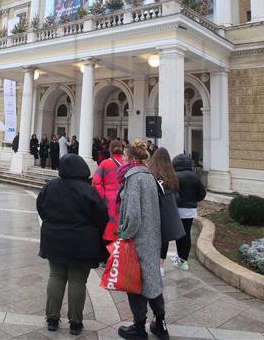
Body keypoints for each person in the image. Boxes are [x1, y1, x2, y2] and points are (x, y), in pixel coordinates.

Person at [37, 154, 108, 336]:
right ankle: (75, 322)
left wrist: (52, 222)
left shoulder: (50, 187)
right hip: (82, 243)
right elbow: (101, 216)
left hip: (54, 239)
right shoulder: (88, 190)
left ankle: (52, 318)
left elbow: (41, 207)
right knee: (78, 281)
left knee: (56, 276)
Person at [117, 140, 169, 340]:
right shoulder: (149, 176)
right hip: (152, 237)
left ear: (131, 159)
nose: (121, 160)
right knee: (152, 281)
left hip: (137, 240)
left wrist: (124, 234)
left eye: (124, 156)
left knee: (135, 283)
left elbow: (133, 215)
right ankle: (161, 324)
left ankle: (139, 327)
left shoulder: (133, 177)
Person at [147, 148, 185, 276]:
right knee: (164, 238)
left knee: (153, 236)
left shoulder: (150, 172)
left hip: (152, 208)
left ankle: (151, 263)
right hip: (167, 210)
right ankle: (161, 265)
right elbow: (175, 191)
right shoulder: (171, 174)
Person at [168, 153, 206, 271]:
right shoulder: (195, 176)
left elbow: (170, 192)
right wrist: (193, 200)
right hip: (190, 210)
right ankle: (184, 261)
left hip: (177, 209)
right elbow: (202, 194)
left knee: (178, 234)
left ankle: (180, 258)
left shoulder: (175, 176)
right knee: (187, 234)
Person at [92, 139, 124, 243]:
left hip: (108, 201)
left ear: (110, 150)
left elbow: (96, 182)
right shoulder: (126, 164)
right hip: (124, 198)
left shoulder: (104, 164)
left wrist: (102, 197)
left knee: (109, 226)